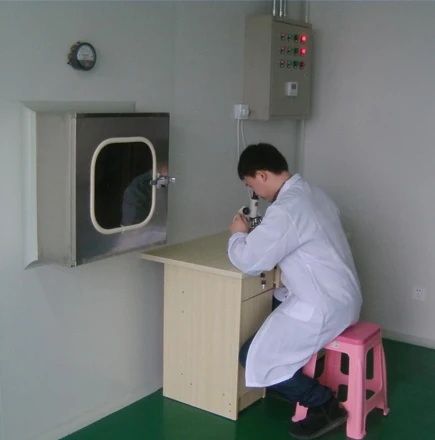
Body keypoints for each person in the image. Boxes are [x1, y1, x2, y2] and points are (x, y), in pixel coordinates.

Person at [228, 143, 362, 439]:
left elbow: (250, 261)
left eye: (251, 185)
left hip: (323, 305)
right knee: (274, 302)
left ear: (262, 175)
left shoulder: (286, 209)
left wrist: (238, 236)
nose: (254, 193)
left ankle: (323, 404)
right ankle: (288, 377)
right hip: (343, 294)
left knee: (251, 356)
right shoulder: (314, 193)